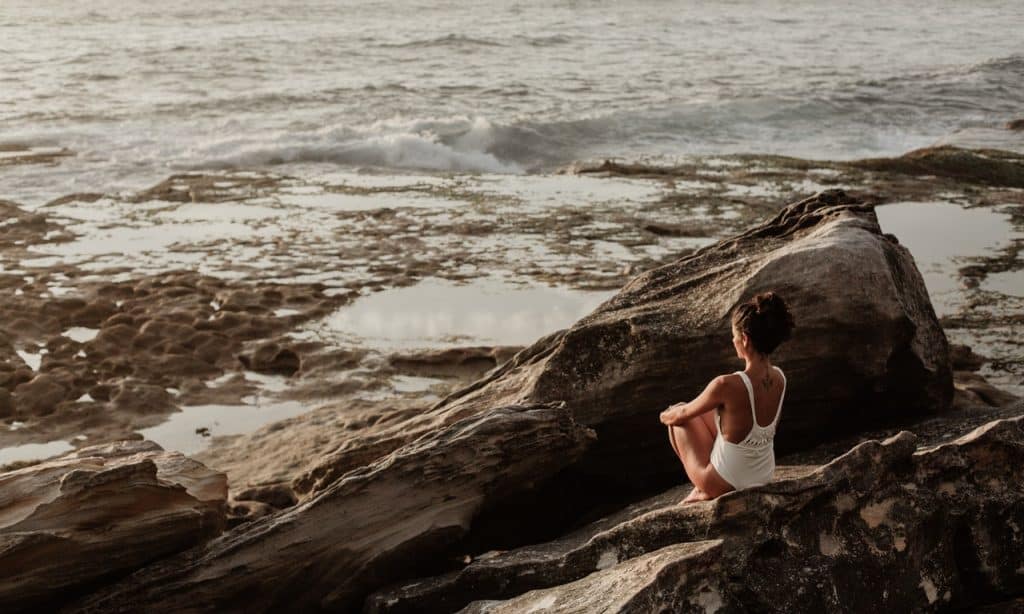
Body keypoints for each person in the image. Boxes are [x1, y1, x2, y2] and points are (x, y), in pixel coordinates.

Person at [659, 292, 795, 504]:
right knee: (713, 416)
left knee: (678, 417)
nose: (733, 340)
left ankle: (704, 489)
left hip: (725, 483)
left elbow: (681, 415)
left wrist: (665, 416)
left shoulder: (726, 385)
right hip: (762, 476)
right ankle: (709, 482)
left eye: (734, 335)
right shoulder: (780, 377)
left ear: (745, 339)